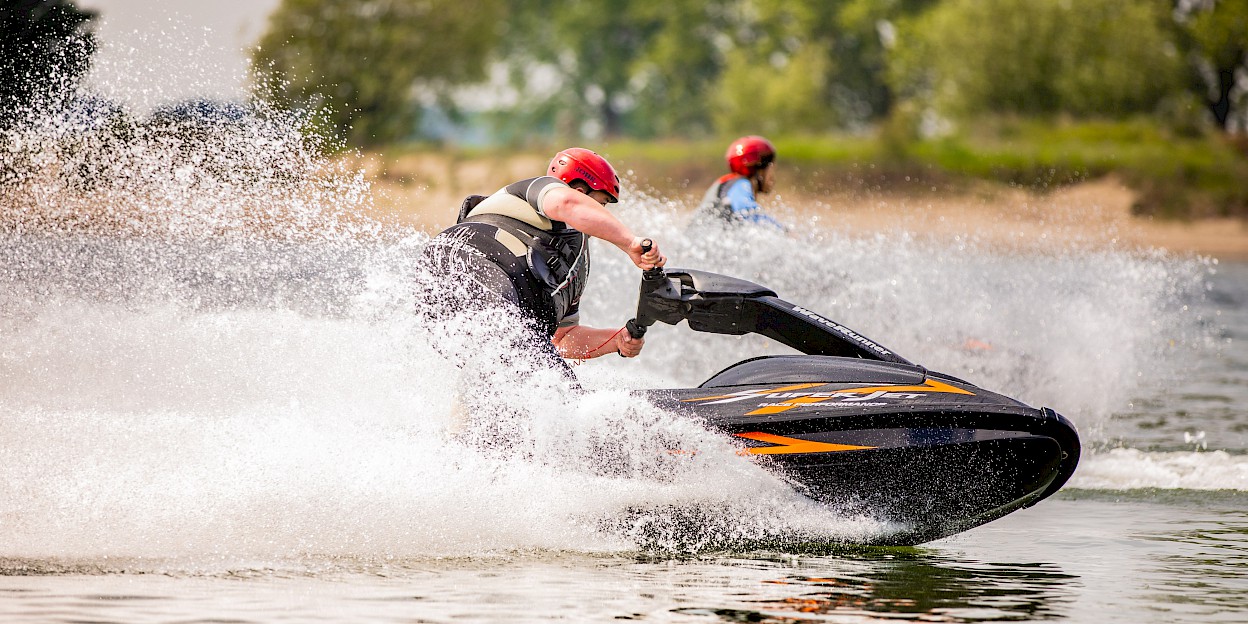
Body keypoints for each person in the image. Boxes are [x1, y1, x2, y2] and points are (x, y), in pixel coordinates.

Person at [420, 147, 666, 381]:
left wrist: (616, 340)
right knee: (553, 384)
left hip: (457, 304)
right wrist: (630, 242)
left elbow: (562, 339)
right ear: (580, 191)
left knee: (515, 378)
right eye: (599, 204)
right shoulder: (545, 188)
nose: (600, 212)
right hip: (463, 266)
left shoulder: (575, 263)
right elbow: (566, 204)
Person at [693, 135, 785, 230]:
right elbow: (745, 210)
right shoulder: (741, 184)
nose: (773, 177)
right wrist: (783, 231)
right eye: (772, 169)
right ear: (759, 169)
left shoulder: (730, 183)